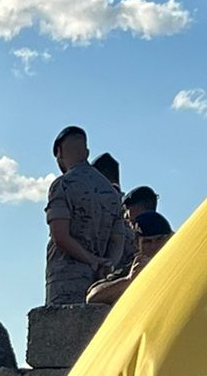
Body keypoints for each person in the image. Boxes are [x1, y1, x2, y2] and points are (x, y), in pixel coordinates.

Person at [43, 126, 130, 307]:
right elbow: (118, 239)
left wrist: (92, 261)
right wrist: (107, 265)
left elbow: (60, 236)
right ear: (87, 151)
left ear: (59, 152)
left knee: (59, 331)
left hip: (65, 280)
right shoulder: (111, 192)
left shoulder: (63, 185)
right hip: (100, 283)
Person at [86, 211, 173, 307]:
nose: (154, 246)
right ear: (137, 244)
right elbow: (93, 297)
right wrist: (129, 280)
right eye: (147, 242)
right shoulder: (135, 268)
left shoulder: (182, 262)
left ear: (170, 238)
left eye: (159, 239)